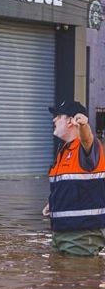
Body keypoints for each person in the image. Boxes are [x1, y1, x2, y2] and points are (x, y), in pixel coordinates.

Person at [45, 100, 105, 256]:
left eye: (58, 116)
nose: (54, 120)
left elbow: (88, 140)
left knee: (77, 276)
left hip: (82, 236)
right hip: (62, 234)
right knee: (60, 276)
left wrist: (84, 126)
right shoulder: (64, 151)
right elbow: (71, 185)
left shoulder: (87, 148)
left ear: (71, 121)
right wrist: (53, 203)